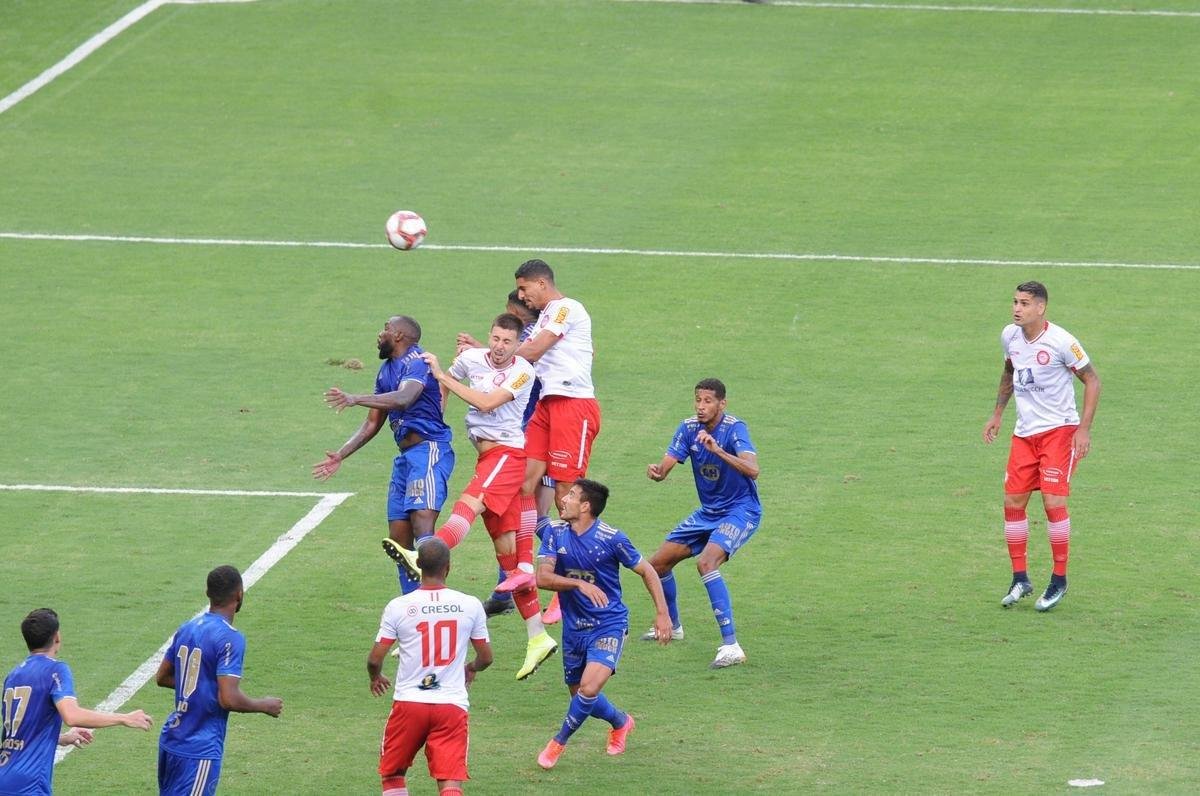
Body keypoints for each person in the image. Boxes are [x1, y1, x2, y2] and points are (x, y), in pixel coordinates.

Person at [398, 313, 556, 681]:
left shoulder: (522, 372)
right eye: (496, 339)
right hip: (487, 457)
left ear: (518, 345)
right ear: (490, 336)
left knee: (467, 504)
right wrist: (438, 406)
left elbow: (487, 403)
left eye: (508, 342)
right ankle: (538, 636)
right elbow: (443, 386)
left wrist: (443, 376)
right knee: (508, 556)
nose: (500, 347)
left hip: (507, 455)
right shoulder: (471, 359)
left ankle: (423, 554)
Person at [534, 480, 673, 770]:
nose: (563, 499)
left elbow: (647, 570)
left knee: (587, 689)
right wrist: (578, 584)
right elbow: (542, 578)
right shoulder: (554, 533)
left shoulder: (612, 538)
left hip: (608, 624)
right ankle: (621, 722)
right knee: (581, 695)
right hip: (573, 628)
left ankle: (558, 743)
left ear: (585, 506)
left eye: (571, 496)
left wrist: (663, 613)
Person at [314, 315, 455, 594]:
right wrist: (341, 454)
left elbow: (404, 398)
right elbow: (372, 422)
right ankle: (411, 602)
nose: (380, 334)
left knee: (422, 521)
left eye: (386, 329)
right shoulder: (385, 372)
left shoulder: (417, 361)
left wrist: (355, 398)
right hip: (405, 458)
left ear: (399, 335)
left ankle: (435, 599)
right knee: (398, 538)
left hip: (429, 450)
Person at [983, 281, 1100, 612]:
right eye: (1015, 302)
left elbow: (1093, 380)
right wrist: (997, 413)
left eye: (1024, 303)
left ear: (1040, 307)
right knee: (1012, 502)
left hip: (1059, 432)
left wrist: (1084, 430)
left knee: (1053, 502)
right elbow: (1009, 371)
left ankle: (1059, 580)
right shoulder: (1010, 336)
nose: (1016, 309)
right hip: (1024, 435)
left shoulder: (1062, 342)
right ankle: (1020, 578)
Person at [640, 378, 762, 670]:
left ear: (722, 404)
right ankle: (674, 626)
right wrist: (658, 472)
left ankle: (731, 646)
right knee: (656, 565)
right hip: (708, 513)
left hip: (740, 510)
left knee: (706, 563)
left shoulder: (735, 428)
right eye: (698, 400)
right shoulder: (688, 428)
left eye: (708, 401)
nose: (700, 406)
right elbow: (666, 466)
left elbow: (753, 470)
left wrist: (718, 450)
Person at [460, 292, 558, 620]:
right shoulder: (531, 338)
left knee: (531, 506)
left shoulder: (537, 339)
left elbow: (515, 369)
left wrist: (479, 352)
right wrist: (479, 354)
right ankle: (511, 587)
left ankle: (562, 565)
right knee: (511, 512)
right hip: (525, 430)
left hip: (532, 432)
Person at [367, 539, 492, 796]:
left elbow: (374, 659)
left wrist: (375, 676)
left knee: (393, 774)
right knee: (450, 782)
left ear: (419, 566)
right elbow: (486, 658)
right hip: (451, 706)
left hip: (409, 704)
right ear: (448, 567)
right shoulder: (470, 605)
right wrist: (471, 668)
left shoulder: (398, 607)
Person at [512, 260, 600, 603]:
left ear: (541, 283)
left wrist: (490, 353)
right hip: (548, 405)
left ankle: (573, 581)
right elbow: (526, 354)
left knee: (568, 496)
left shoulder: (566, 308)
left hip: (573, 405)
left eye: (524, 288)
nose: (522, 296)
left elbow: (532, 351)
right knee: (524, 483)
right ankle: (524, 567)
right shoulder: (546, 315)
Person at [155, 566, 281, 795]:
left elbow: (162, 677)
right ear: (239, 594)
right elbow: (229, 699)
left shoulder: (187, 628)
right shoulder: (230, 638)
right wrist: (264, 705)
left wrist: (201, 685)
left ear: (208, 593)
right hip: (199, 748)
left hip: (171, 740)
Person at [0, 609, 153, 795]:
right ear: (57, 637)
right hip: (28, 784)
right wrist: (124, 718)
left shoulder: (14, 675)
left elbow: (18, 734)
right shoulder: (55, 669)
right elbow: (72, 716)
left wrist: (61, 738)